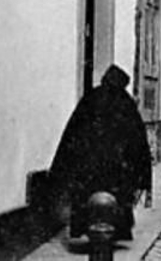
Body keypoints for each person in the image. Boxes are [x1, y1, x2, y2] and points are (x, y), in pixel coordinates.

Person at [49, 65, 152, 242]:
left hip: (90, 168)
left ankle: (83, 228)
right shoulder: (125, 102)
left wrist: (61, 169)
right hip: (118, 169)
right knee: (118, 199)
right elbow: (138, 140)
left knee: (85, 198)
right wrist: (143, 176)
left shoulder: (91, 98)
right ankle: (117, 232)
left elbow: (72, 133)